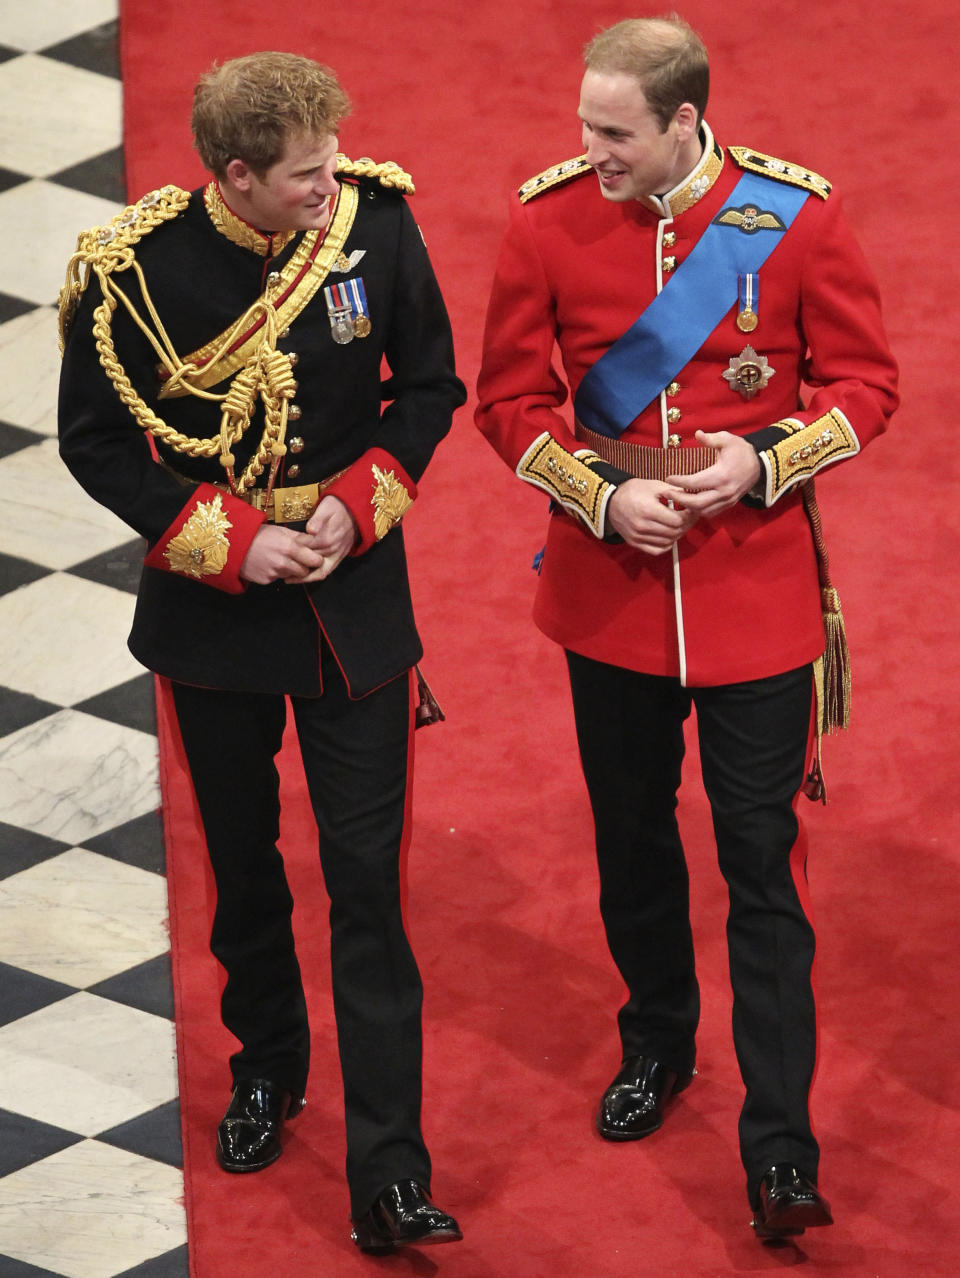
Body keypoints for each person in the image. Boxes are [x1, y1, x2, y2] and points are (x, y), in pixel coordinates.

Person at [475, 15, 897, 1239]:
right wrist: (601, 492)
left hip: (755, 595)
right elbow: (509, 398)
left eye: (614, 133)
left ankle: (781, 1149)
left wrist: (763, 464)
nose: (591, 150)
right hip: (609, 596)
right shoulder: (546, 217)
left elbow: (868, 385)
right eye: (583, 128)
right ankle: (656, 1041)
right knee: (633, 839)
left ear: (684, 123)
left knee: (762, 865)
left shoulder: (794, 219)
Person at [58, 51, 465, 1254]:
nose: (329, 184)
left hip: (354, 608)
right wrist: (230, 543)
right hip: (216, 614)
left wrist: (364, 497)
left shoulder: (374, 224)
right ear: (234, 176)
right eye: (303, 173)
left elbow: (429, 387)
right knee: (243, 868)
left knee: (368, 889)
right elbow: (98, 443)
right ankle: (266, 1071)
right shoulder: (132, 275)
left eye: (333, 160)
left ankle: (391, 1170)